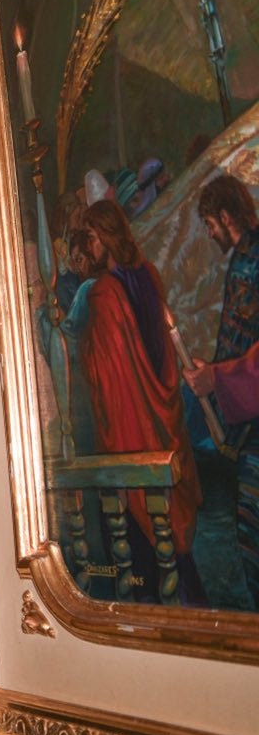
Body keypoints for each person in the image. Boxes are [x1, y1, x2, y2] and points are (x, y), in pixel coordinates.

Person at [74, 197, 203, 599]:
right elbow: (161, 356)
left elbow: (103, 373)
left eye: (93, 237)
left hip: (130, 425)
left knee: (138, 534)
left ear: (108, 237)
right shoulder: (147, 276)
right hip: (162, 420)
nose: (90, 246)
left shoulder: (103, 294)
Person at [181, 173, 259, 607]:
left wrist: (219, 378)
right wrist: (214, 373)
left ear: (226, 215)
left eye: (210, 223)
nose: (210, 234)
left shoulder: (254, 257)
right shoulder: (244, 257)